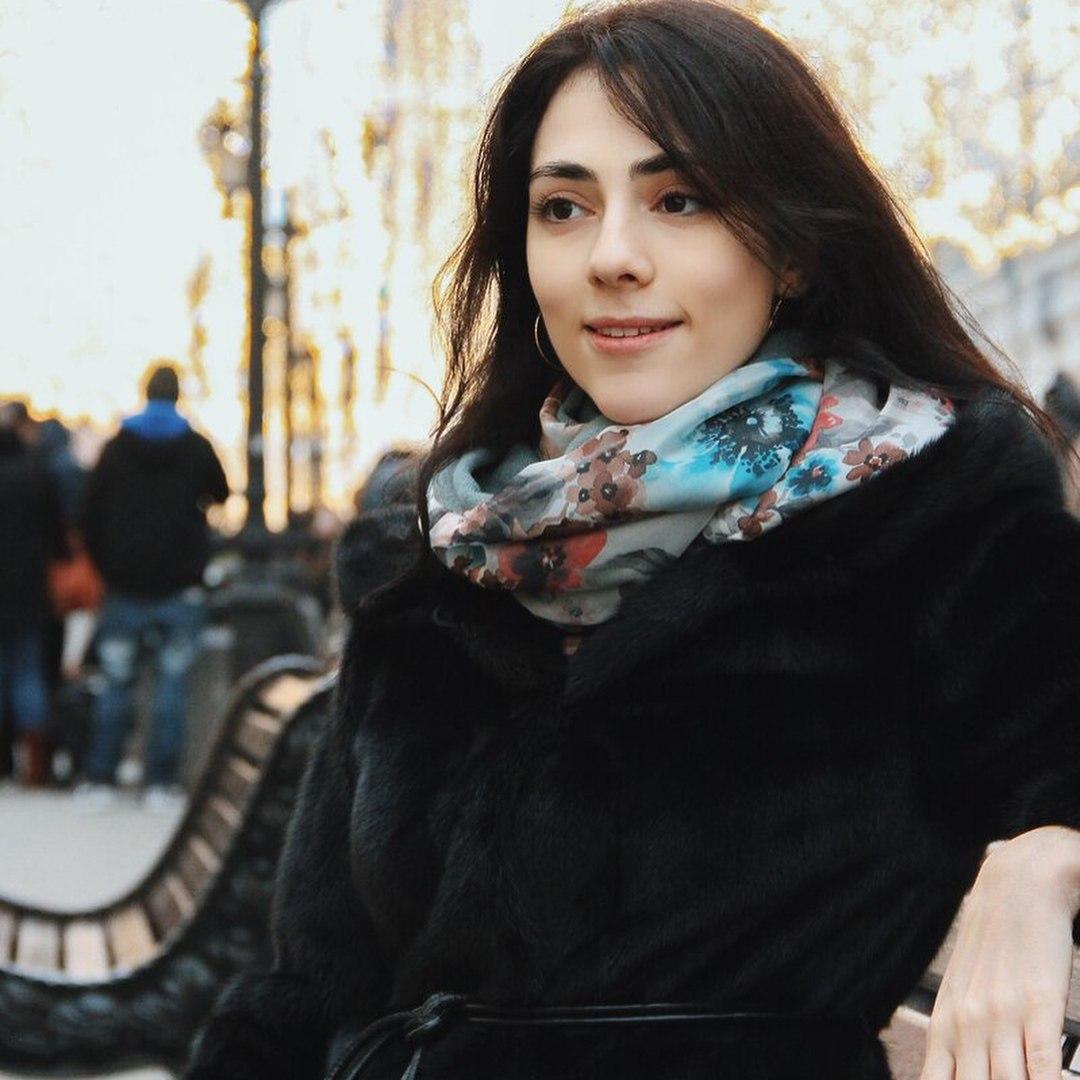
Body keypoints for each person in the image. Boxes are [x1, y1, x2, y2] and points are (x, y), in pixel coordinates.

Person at [185, 4, 1080, 1078]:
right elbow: (309, 988)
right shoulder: (440, 551)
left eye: (679, 200)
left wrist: (1041, 860)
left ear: (793, 249)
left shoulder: (930, 507)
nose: (612, 256)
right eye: (562, 207)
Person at [78, 362, 229, 806]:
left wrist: (110, 564)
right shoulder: (197, 447)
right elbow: (222, 493)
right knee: (172, 684)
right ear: (178, 395)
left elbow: (89, 514)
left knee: (116, 683)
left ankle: (101, 778)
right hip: (180, 585)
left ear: (145, 393)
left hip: (125, 585)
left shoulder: (116, 448)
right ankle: (160, 782)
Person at [0, 404, 67, 785]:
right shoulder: (36, 475)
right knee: (28, 674)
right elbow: (58, 536)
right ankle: (35, 765)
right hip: (28, 592)